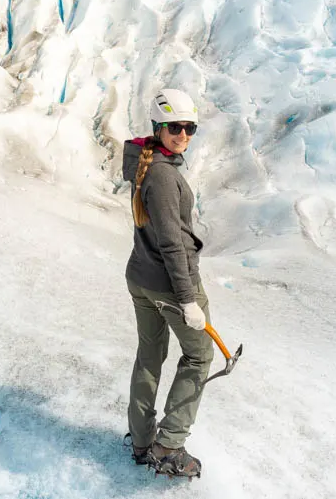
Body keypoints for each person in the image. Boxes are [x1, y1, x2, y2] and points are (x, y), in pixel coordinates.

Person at [122, 88, 212, 478]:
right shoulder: (161, 175)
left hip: (141, 277)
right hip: (169, 285)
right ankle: (169, 444)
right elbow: (172, 242)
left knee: (150, 356)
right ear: (158, 127)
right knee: (199, 356)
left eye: (190, 128)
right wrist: (188, 298)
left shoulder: (147, 165)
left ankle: (142, 441)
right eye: (175, 127)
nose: (183, 135)